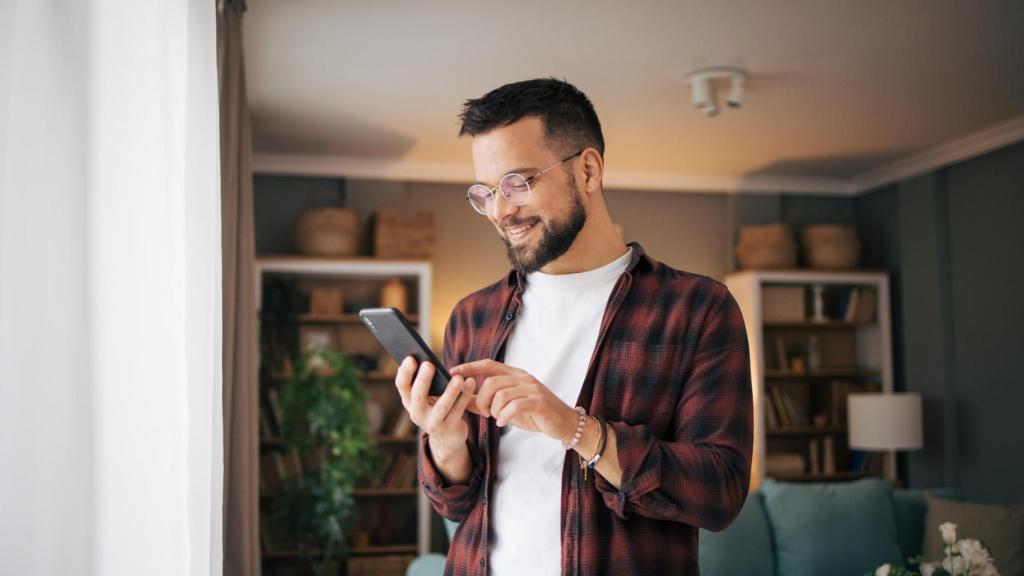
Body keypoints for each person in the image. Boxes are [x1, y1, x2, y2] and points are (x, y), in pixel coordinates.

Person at [393, 78, 753, 575]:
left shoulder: (697, 309)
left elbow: (720, 493)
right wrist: (446, 439)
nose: (500, 210)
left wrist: (573, 427)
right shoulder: (471, 316)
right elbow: (455, 505)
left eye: (518, 183)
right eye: (486, 192)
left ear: (588, 169)